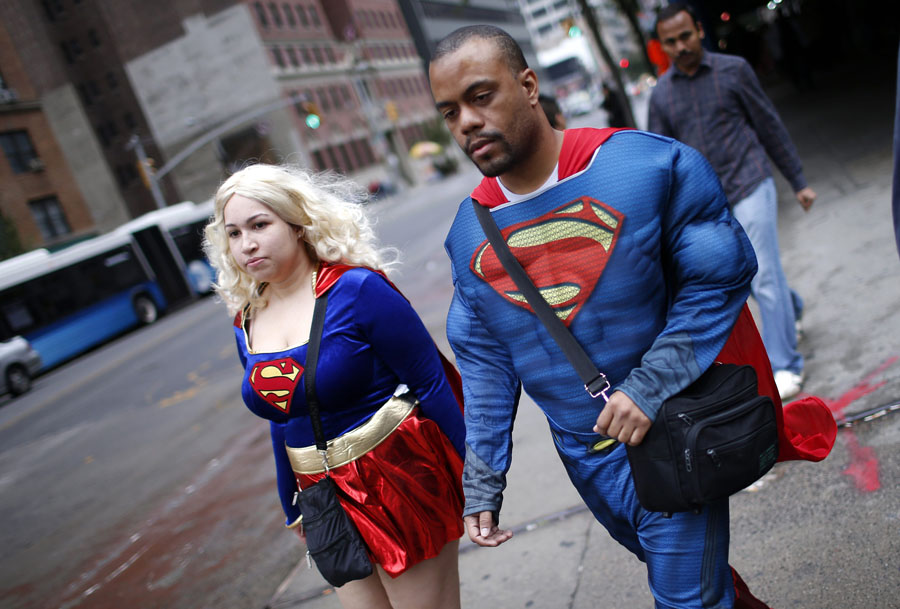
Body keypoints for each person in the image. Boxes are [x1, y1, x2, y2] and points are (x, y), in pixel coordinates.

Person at [429, 24, 834, 609]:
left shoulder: (647, 167)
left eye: (481, 96)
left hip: (676, 433)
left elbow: (719, 275)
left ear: (528, 85)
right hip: (588, 464)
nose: (466, 121)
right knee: (704, 585)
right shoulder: (468, 232)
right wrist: (483, 483)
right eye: (449, 112)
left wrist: (648, 388)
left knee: (685, 598)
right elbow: (486, 363)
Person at [203, 163, 465, 609]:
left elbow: (433, 383)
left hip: (398, 478)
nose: (246, 244)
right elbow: (280, 416)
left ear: (298, 224)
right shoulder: (246, 319)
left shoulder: (357, 289)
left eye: (260, 225)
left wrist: (479, 481)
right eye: (233, 233)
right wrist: (292, 503)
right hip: (322, 497)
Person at [647, 2, 816, 400]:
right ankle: (792, 308)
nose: (681, 46)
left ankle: (786, 364)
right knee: (742, 274)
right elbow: (660, 163)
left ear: (699, 32)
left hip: (751, 180)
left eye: (686, 36)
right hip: (706, 203)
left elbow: (768, 124)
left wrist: (798, 180)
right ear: (662, 47)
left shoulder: (734, 70)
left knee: (763, 274)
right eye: (671, 42)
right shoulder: (662, 98)